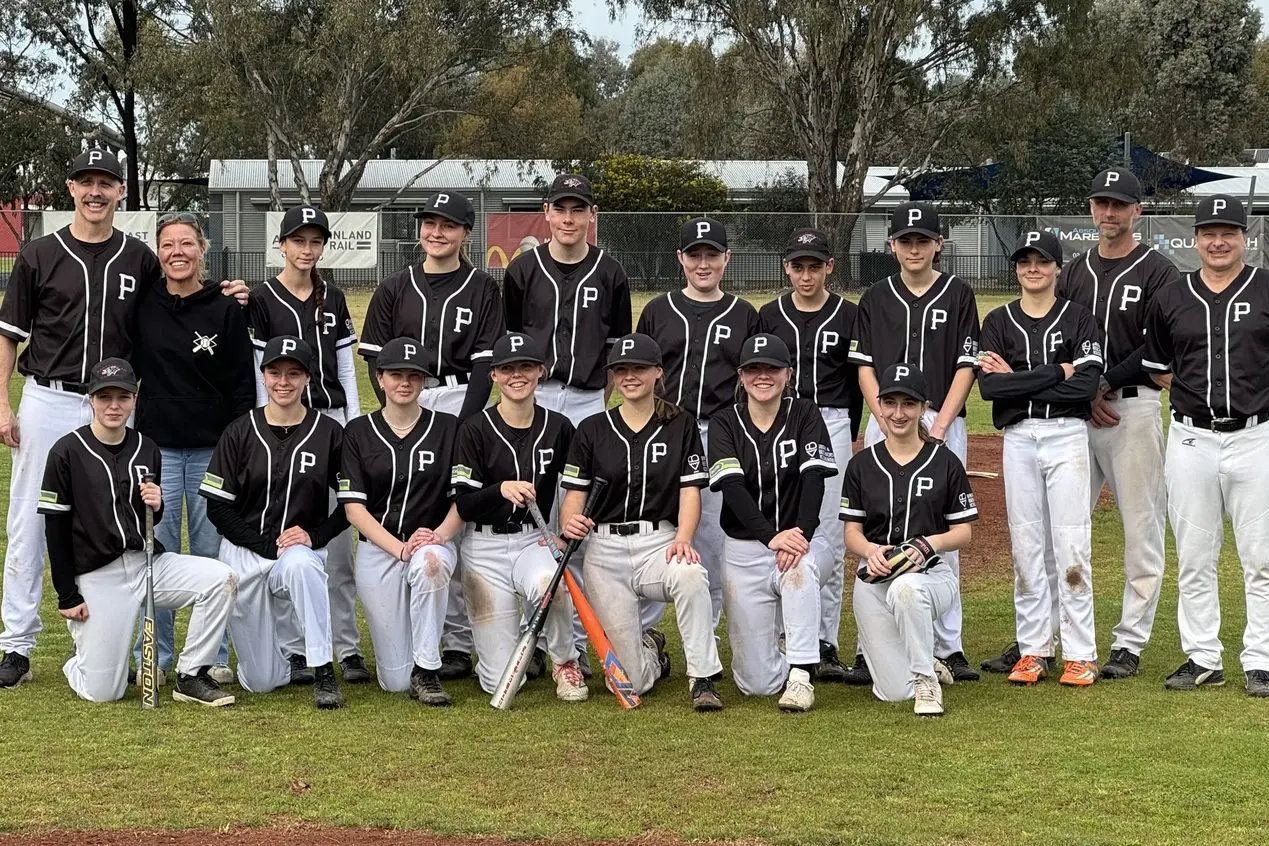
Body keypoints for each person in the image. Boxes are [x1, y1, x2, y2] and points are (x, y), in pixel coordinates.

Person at [0, 148, 246, 688]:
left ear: (118, 192)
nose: (95, 191)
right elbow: (10, 334)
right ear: (70, 188)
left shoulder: (138, 257)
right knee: (30, 518)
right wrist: (2, 401)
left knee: (126, 516)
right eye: (86, 181)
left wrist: (231, 294)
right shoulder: (40, 253)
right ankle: (16, 643)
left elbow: (185, 298)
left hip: (118, 403)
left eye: (105, 183)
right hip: (49, 395)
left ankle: (131, 639)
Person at [980, 169, 1181, 679]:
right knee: (1051, 531)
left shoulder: (1158, 271)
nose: (1108, 213)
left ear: (1138, 210)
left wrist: (1100, 385)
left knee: (1141, 528)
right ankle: (1039, 640)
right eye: (1101, 203)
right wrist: (1077, 390)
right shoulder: (1072, 271)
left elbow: (1158, 345)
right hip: (1069, 415)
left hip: (1128, 407)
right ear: (1091, 208)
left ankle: (1129, 643)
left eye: (1119, 204)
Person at [358, 191, 505, 683]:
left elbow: (486, 364)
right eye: (429, 223)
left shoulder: (483, 288)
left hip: (460, 398)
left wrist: (464, 425)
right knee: (414, 499)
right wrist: (397, 416)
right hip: (406, 398)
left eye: (448, 225)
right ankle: (416, 626)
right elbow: (378, 363)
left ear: (466, 233)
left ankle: (459, 641)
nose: (436, 232)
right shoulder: (394, 288)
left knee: (455, 512)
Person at [39, 357, 236, 705]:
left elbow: (147, 522)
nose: (114, 406)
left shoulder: (147, 448)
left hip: (148, 565)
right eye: (104, 397)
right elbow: (55, 527)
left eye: (123, 397)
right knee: (104, 693)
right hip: (98, 575)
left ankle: (191, 674)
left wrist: (156, 505)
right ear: (91, 400)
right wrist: (67, 595)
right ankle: (79, 660)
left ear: (134, 399)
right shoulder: (66, 451)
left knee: (221, 579)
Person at [843, 202, 981, 687]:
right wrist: (881, 416)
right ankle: (870, 644)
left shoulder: (958, 293)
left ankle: (949, 645)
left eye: (924, 240)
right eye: (906, 240)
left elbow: (967, 364)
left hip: (942, 419)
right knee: (877, 523)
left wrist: (940, 425)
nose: (915, 247)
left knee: (943, 527)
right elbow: (863, 364)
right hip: (889, 419)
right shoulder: (877, 296)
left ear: (938, 244)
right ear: (892, 245)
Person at [1142, 195, 1269, 698]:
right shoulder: (1172, 296)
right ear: (1194, 239)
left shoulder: (1265, 288)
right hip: (1192, 437)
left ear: (1247, 237)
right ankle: (1202, 657)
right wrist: (1201, 400)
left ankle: (1260, 659)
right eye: (1209, 232)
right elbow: (1160, 366)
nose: (1218, 241)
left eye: (1229, 232)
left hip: (1257, 436)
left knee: (1261, 558)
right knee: (1195, 555)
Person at [559, 333, 724, 712]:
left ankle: (702, 677)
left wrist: (684, 537)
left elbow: (690, 491)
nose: (629, 376)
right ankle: (651, 650)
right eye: (621, 370)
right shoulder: (592, 429)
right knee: (629, 680)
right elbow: (574, 496)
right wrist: (570, 523)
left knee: (691, 575)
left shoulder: (681, 423)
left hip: (659, 541)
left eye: (639, 368)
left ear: (657, 373)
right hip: (605, 549)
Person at [126, 212, 256, 686]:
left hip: (211, 450)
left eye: (186, 243)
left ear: (202, 248)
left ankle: (209, 657)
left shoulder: (224, 306)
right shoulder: (143, 304)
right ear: (157, 252)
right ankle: (156, 658)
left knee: (208, 554)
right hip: (156, 449)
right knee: (157, 552)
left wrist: (236, 445)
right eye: (167, 245)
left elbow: (244, 383)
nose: (176, 252)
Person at [977, 230, 1103, 687]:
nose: (1034, 268)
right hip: (1019, 436)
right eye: (1026, 261)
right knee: (1026, 543)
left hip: (1067, 433)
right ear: (1016, 268)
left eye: (1043, 261)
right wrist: (1055, 372)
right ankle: (1033, 649)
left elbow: (1086, 387)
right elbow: (991, 388)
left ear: (1057, 268)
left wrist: (1021, 379)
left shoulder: (1079, 319)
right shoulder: (997, 321)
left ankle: (1081, 653)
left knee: (1071, 543)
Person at [249, 205, 367, 686]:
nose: (306, 249)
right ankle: (296, 650)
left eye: (315, 241)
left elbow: (345, 369)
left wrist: (355, 426)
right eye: (298, 240)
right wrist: (267, 425)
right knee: (287, 535)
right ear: (282, 244)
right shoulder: (262, 298)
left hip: (331, 418)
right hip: (282, 422)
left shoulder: (332, 297)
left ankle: (347, 647)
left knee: (337, 545)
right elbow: (263, 373)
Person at [199, 336, 350, 709]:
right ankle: (284, 657)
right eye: (275, 372)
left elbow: (351, 503)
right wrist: (265, 546)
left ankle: (322, 668)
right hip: (243, 552)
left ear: (307, 379)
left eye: (293, 373)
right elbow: (217, 508)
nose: (283, 381)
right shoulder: (239, 430)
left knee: (304, 566)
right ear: (263, 376)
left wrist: (315, 536)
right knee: (262, 682)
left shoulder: (329, 433)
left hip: (297, 549)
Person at [635, 217, 760, 629]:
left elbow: (754, 381)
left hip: (719, 433)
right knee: (652, 528)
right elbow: (636, 373)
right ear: (680, 258)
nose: (702, 264)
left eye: (711, 254)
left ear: (727, 258)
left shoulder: (744, 314)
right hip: (663, 428)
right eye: (694, 255)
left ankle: (706, 633)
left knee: (712, 536)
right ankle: (646, 631)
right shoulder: (657, 310)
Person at [449, 333, 587, 701]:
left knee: (549, 582)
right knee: (499, 682)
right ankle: (517, 649)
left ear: (540, 371)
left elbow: (576, 485)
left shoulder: (559, 426)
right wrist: (499, 490)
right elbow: (463, 505)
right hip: (483, 546)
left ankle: (565, 662)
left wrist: (562, 530)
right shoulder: (474, 428)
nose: (517, 375)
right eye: (507, 368)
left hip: (532, 539)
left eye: (525, 366)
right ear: (493, 375)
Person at [707, 334, 838, 712]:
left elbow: (814, 482)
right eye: (753, 369)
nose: (762, 376)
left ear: (788, 374)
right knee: (755, 684)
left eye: (772, 369)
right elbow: (731, 488)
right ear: (741, 375)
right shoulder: (723, 423)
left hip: (803, 540)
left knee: (800, 572)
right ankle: (783, 647)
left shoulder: (806, 413)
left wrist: (798, 536)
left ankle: (801, 673)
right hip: (746, 551)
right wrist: (771, 537)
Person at [841, 364, 978, 716]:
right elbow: (851, 533)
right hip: (875, 576)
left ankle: (926, 683)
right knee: (891, 692)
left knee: (907, 591)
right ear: (880, 405)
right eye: (890, 403)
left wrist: (929, 544)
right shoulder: (861, 465)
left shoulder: (945, 462)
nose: (898, 413)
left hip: (932, 575)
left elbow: (964, 531)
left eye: (908, 404)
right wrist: (870, 551)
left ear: (923, 407)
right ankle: (927, 663)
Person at [759, 228, 859, 682]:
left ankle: (825, 641)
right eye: (798, 266)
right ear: (786, 268)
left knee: (830, 534)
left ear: (829, 267)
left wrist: (850, 432)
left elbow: (858, 382)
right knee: (783, 519)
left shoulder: (848, 314)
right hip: (779, 418)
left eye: (814, 266)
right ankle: (783, 636)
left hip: (831, 416)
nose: (806, 274)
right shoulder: (769, 314)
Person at [339, 338, 463, 705]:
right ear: (379, 379)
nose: (404, 383)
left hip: (431, 542)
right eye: (396, 374)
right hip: (380, 549)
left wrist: (436, 538)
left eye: (414, 375)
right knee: (394, 681)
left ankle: (427, 669)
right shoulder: (358, 431)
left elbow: (462, 500)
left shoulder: (448, 428)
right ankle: (412, 660)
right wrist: (399, 547)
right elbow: (353, 509)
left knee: (431, 565)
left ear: (425, 381)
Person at [503, 172, 632, 425]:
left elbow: (615, 346)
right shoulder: (522, 270)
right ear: (547, 211)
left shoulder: (610, 272)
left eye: (578, 210)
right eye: (560, 209)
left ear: (592, 213)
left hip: (588, 399)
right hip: (534, 394)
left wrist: (600, 398)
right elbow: (510, 340)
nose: (568, 220)